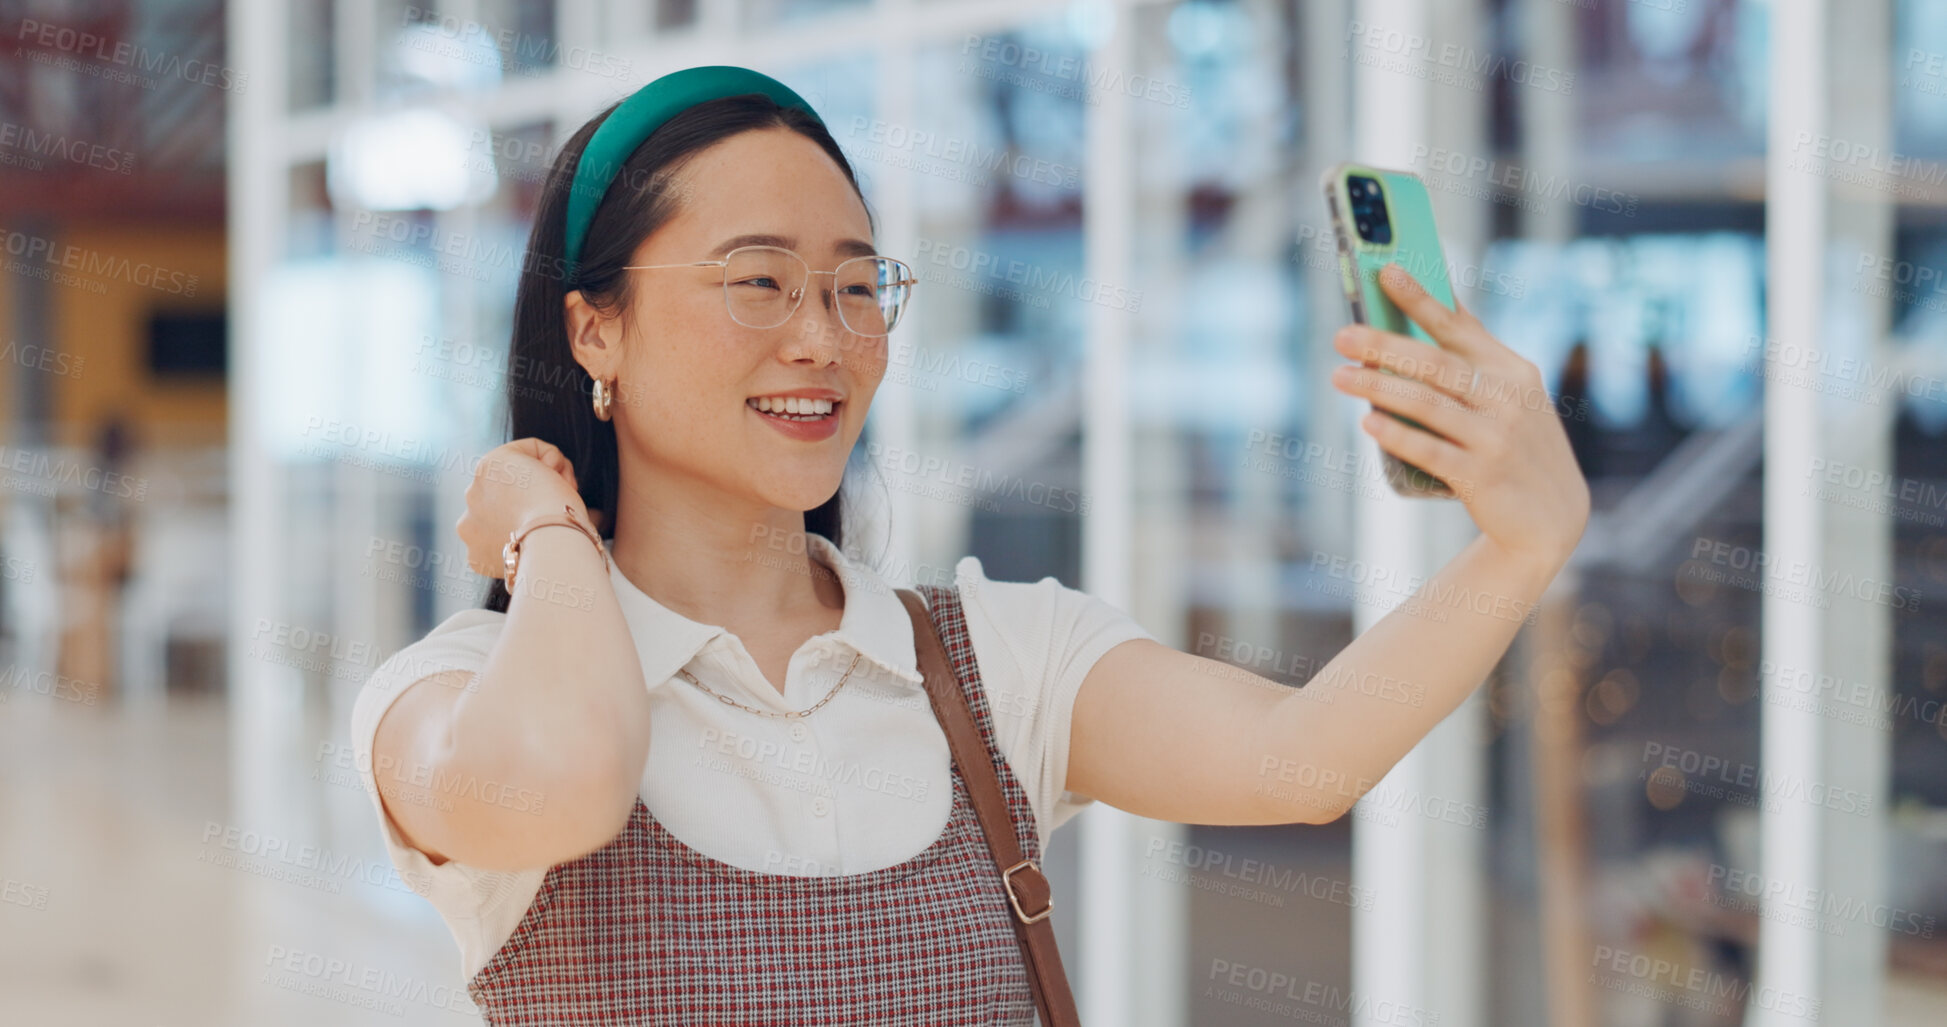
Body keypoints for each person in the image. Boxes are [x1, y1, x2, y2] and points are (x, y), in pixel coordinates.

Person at [350, 66, 1590, 1024]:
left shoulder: (988, 660)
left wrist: (1523, 544)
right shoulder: (449, 696)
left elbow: (1299, 759)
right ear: (594, 333)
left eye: (851, 285)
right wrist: (546, 525)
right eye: (757, 281)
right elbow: (564, 783)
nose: (822, 339)